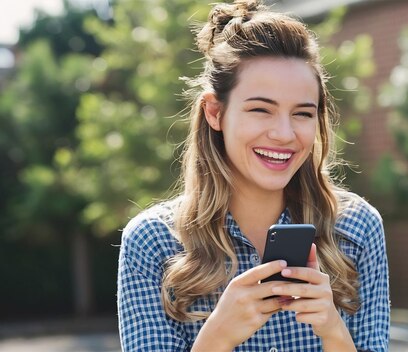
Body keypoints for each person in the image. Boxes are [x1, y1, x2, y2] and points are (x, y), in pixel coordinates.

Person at [117, 0, 390, 351]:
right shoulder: (153, 241)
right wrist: (217, 337)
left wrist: (334, 333)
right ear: (215, 112)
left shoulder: (356, 229)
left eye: (303, 114)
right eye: (261, 109)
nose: (284, 134)